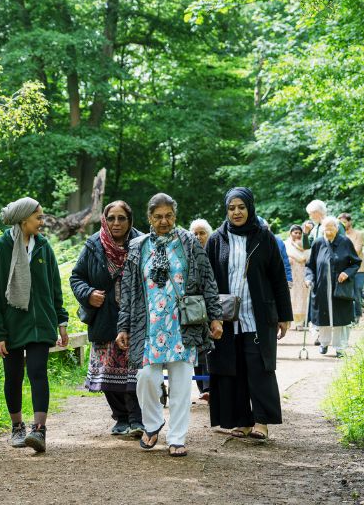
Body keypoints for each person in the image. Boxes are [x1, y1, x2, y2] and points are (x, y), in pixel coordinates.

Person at [116, 193, 223, 457]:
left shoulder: (189, 241)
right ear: (149, 218)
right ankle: (152, 425)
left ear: (175, 216)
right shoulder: (138, 247)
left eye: (169, 216)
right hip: (148, 326)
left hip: (181, 326)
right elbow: (128, 290)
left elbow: (208, 279)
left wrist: (216, 316)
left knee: (181, 384)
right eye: (158, 216)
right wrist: (123, 326)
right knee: (146, 378)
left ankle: (177, 437)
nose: (164, 221)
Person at [206, 187, 293, 440]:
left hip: (258, 316)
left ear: (250, 208)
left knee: (259, 367)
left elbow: (278, 278)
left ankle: (262, 422)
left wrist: (284, 316)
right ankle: (241, 421)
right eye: (231, 208)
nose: (236, 212)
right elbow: (208, 280)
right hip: (225, 320)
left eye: (241, 207)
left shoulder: (264, 237)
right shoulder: (216, 239)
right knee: (234, 369)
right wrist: (212, 315)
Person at [0, 197, 69, 453]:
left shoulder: (44, 247)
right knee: (13, 376)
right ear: (23, 220)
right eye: (38, 218)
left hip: (41, 323)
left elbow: (55, 287)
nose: (42, 222)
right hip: (11, 326)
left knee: (38, 372)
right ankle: (17, 427)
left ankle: (39, 431)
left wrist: (61, 321)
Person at [70, 200, 143, 438]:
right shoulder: (93, 245)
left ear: (130, 220)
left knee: (136, 371)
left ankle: (137, 419)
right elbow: (77, 277)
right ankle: (121, 418)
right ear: (104, 219)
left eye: (122, 218)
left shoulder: (142, 243)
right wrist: (88, 294)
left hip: (136, 319)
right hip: (104, 318)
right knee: (108, 372)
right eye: (111, 218)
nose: (116, 223)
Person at [305, 217, 360, 357]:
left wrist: (346, 273)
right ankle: (323, 343)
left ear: (337, 228)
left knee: (340, 318)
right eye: (326, 228)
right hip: (321, 288)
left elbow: (355, 263)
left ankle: (340, 347)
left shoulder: (345, 242)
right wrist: (309, 278)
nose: (328, 231)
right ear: (322, 228)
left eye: (331, 228)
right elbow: (310, 266)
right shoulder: (318, 243)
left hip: (340, 288)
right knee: (323, 317)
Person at [188, 217, 214, 400]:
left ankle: (210, 387)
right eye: (195, 233)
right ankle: (203, 388)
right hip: (193, 308)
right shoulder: (187, 254)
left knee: (210, 347)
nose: (198, 237)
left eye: (202, 233)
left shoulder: (214, 251)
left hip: (212, 306)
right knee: (197, 347)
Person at [339, 213, 364, 323]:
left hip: (358, 269)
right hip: (344, 269)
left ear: (350, 222)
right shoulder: (339, 235)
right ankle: (350, 317)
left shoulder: (358, 234)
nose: (343, 224)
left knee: (357, 292)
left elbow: (357, 251)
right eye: (341, 222)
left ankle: (357, 315)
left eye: (344, 222)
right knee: (346, 293)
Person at [284, 225, 310, 325]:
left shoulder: (305, 244)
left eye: (299, 233)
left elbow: (307, 257)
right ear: (290, 233)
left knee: (302, 296)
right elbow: (282, 257)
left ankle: (300, 322)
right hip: (291, 273)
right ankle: (290, 321)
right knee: (291, 295)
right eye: (295, 233)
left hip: (302, 273)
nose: (298, 235)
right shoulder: (286, 244)